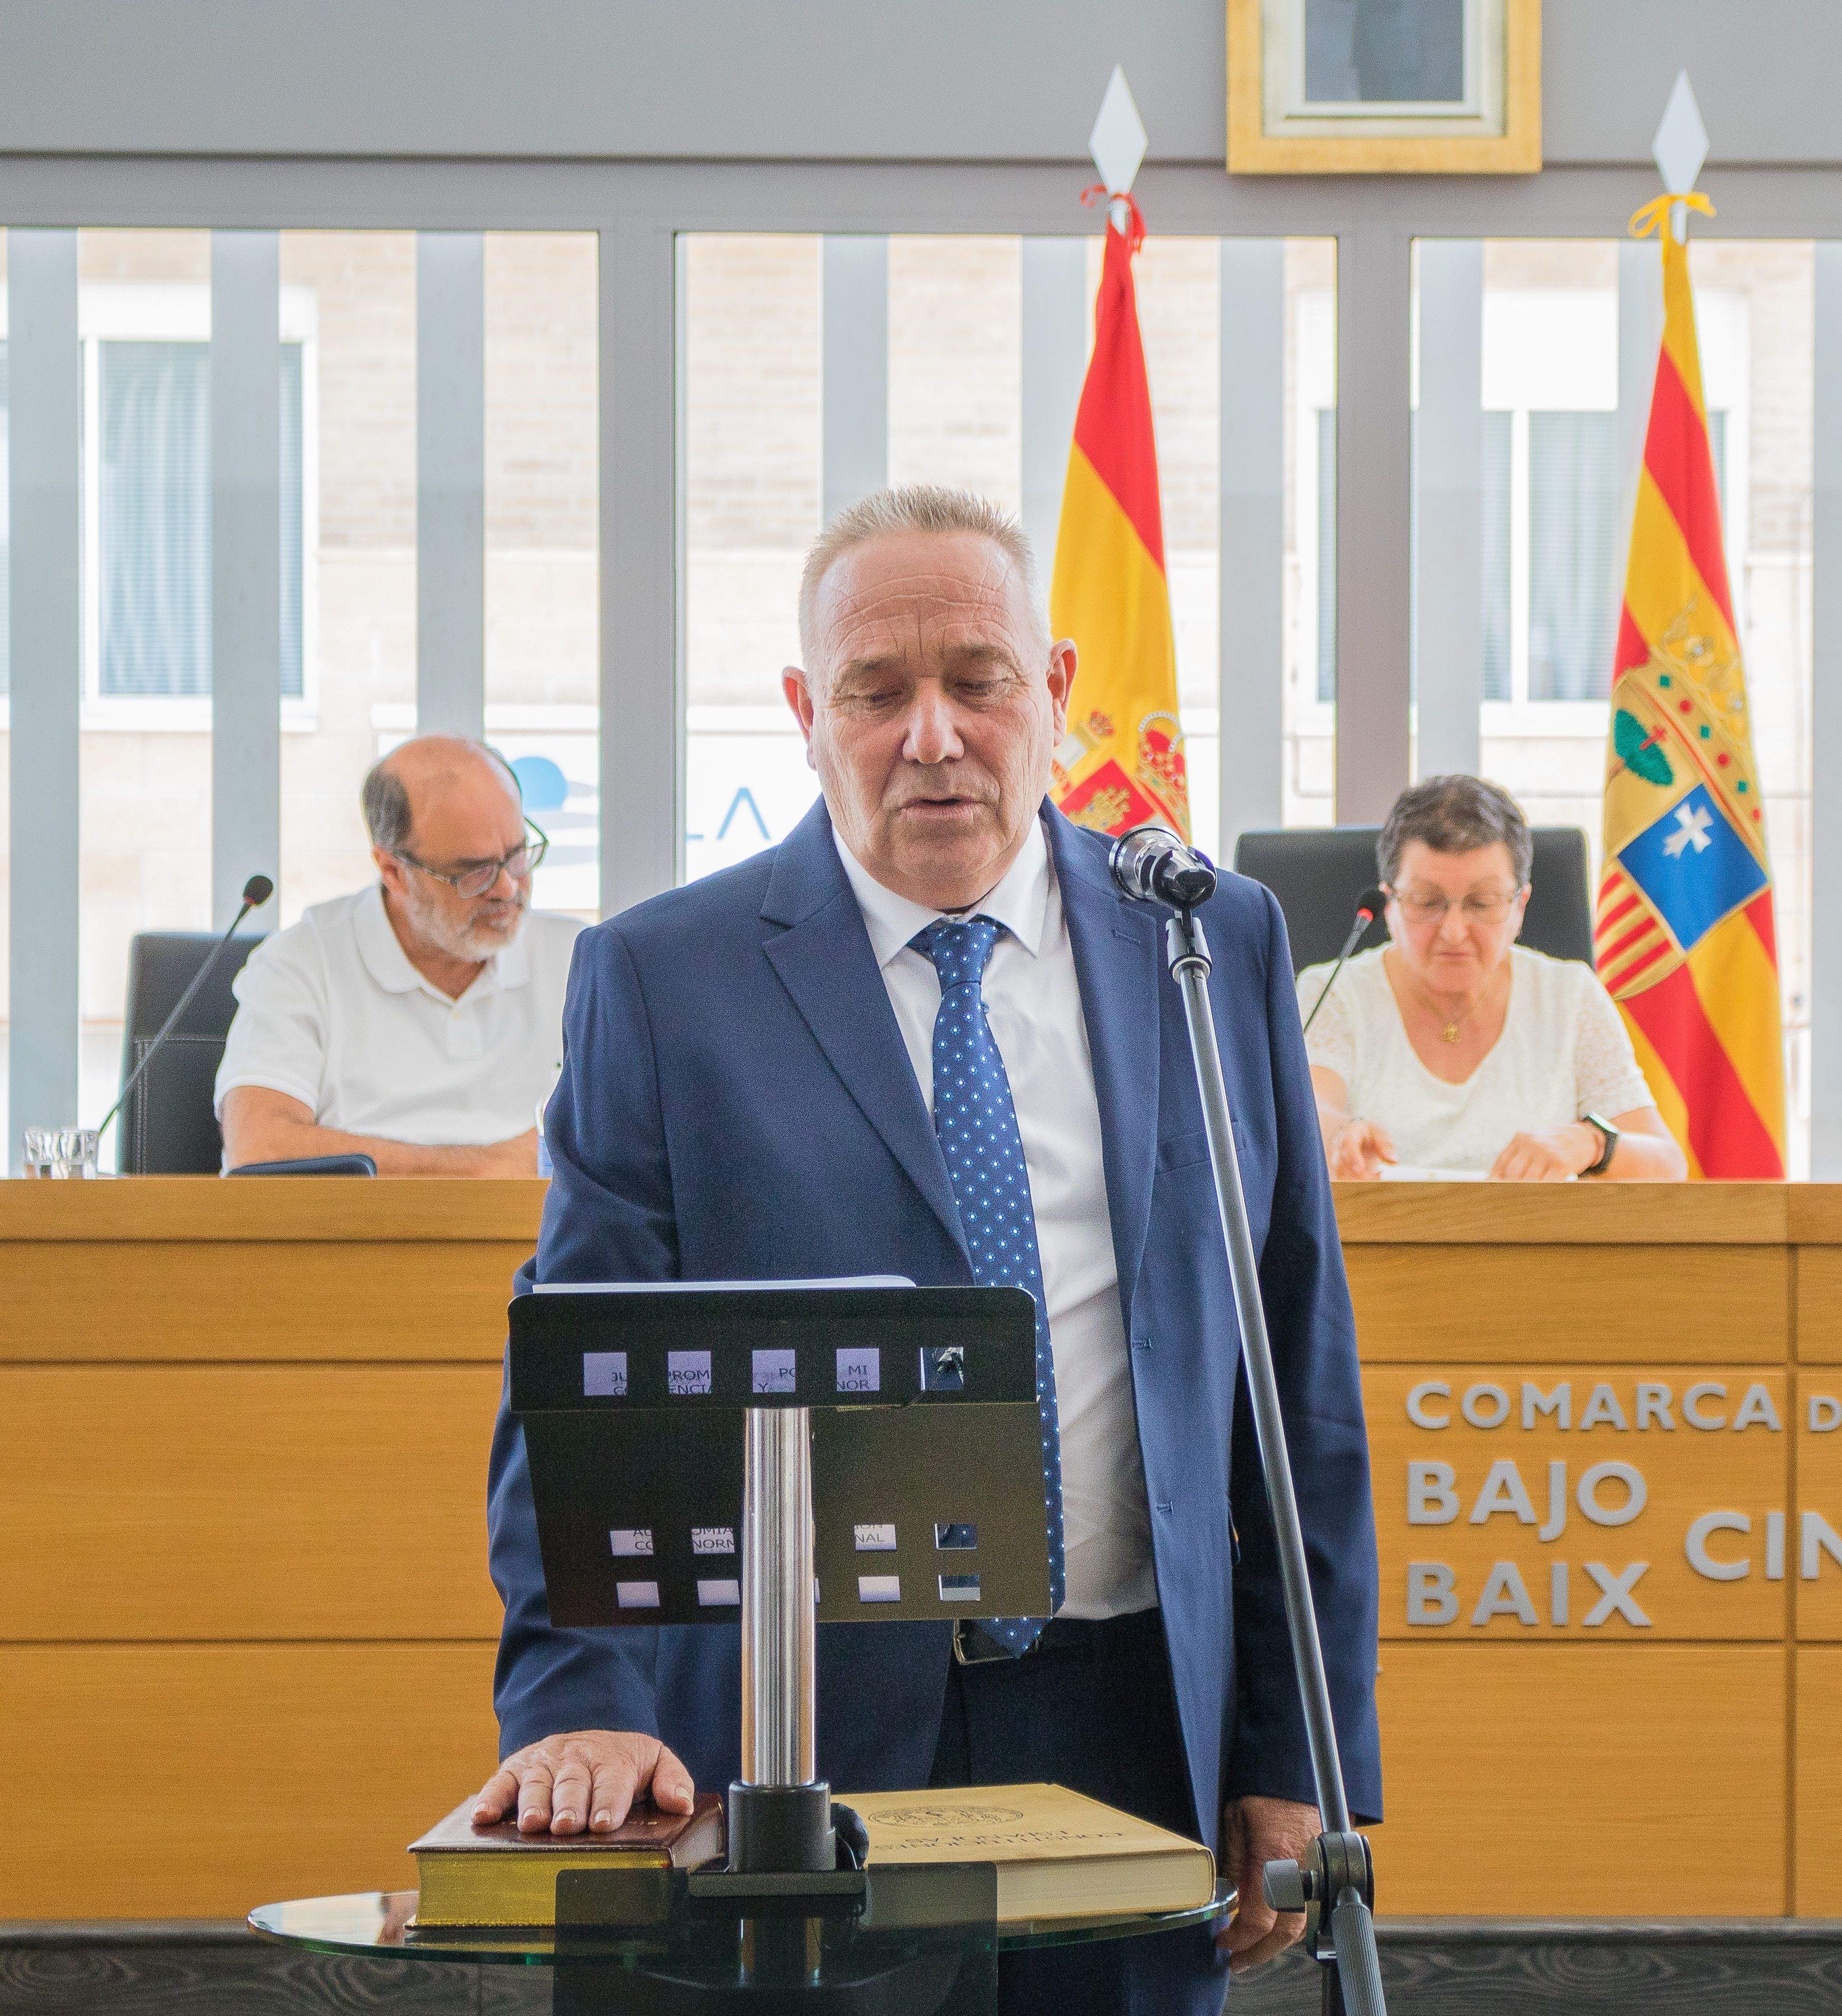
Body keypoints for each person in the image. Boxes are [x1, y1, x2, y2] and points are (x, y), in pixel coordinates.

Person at [476, 486, 1379, 2016]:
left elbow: (1298, 1377)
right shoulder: (663, 977)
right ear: (804, 715)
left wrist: (1300, 1752)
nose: (933, 735)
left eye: (978, 679)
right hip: (787, 1744)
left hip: (1137, 1727)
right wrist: (580, 1697)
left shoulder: (1203, 941)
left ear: (1057, 690)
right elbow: (578, 1382)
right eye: (876, 691)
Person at [215, 735, 575, 1174]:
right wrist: (486, 1170)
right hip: (361, 1222)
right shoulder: (301, 962)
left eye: (517, 856)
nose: (507, 888)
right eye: (474, 871)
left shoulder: (583, 958)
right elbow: (260, 1148)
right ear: (393, 871)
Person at [1298, 775, 1685, 1182]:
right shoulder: (1334, 992)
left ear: (1520, 905)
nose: (1454, 932)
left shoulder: (1570, 996)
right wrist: (1339, 1135)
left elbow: (1667, 1165)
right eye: (1427, 902)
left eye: (1482, 903)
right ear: (1389, 903)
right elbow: (1310, 1109)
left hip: (1536, 1226)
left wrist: (1592, 1144)